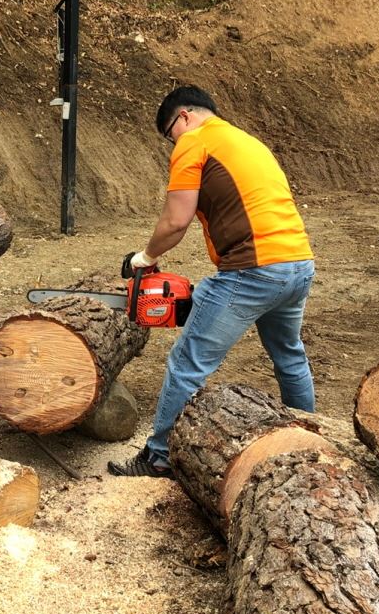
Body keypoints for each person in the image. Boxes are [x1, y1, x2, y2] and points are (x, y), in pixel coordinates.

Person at [108, 85, 316, 478]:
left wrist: (144, 258)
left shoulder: (195, 141)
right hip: (297, 264)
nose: (173, 143)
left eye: (170, 134)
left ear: (184, 116)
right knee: (290, 356)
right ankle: (310, 440)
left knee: (187, 363)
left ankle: (159, 458)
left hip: (252, 270)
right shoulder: (246, 142)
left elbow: (176, 221)